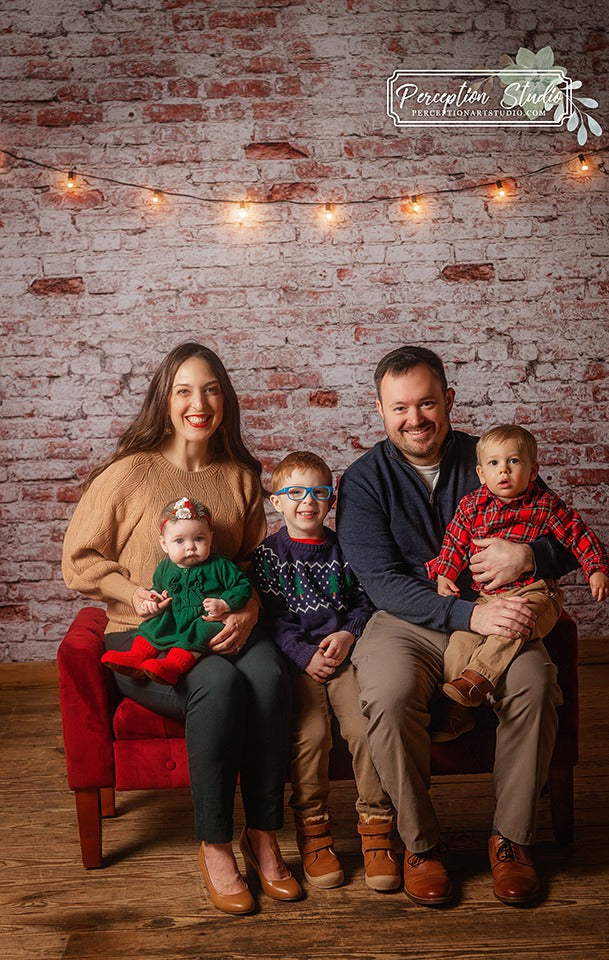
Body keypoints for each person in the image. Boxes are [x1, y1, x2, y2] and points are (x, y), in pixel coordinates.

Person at [62, 341, 301, 916]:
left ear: (226, 401)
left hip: (222, 625)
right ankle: (216, 843)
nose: (200, 403)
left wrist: (246, 613)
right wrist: (133, 594)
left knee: (270, 675)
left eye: (212, 389)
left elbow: (248, 564)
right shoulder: (128, 474)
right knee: (216, 683)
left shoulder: (240, 477)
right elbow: (79, 560)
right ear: (165, 401)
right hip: (145, 636)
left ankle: (263, 836)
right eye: (185, 390)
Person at [336, 344, 579, 907]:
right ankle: (421, 845)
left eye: (426, 403)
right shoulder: (365, 481)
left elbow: (568, 534)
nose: (414, 418)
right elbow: (380, 581)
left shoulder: (494, 456)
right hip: (405, 621)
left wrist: (529, 559)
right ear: (380, 410)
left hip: (498, 619)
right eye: (400, 408)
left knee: (536, 683)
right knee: (389, 695)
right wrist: (466, 612)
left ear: (448, 400)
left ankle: (512, 841)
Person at [253, 451, 401, 893]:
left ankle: (377, 828)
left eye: (319, 493)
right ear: (276, 502)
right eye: (295, 493)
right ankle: (314, 833)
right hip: (298, 662)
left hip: (342, 657)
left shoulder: (343, 549)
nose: (307, 502)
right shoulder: (271, 555)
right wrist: (303, 655)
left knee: (362, 728)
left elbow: (364, 600)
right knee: (312, 735)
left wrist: (349, 635)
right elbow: (271, 616)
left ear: (331, 500)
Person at [426, 424, 609, 709]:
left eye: (513, 461)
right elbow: (455, 542)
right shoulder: (471, 506)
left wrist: (596, 568)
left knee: (514, 623)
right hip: (487, 597)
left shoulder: (544, 504)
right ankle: (457, 708)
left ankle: (478, 678)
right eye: (494, 463)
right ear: (481, 474)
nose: (504, 471)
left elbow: (578, 535)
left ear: (533, 471)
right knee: (459, 642)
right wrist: (444, 575)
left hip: (535, 593)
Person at [101, 497, 254, 685]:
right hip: (175, 613)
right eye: (179, 541)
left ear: (210, 538)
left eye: (199, 538)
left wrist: (224, 603)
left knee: (200, 629)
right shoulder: (164, 568)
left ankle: (174, 666)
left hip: (206, 616)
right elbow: (157, 589)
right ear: (164, 544)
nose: (190, 546)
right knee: (156, 622)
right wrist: (153, 601)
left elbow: (243, 586)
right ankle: (137, 656)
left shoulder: (220, 565)